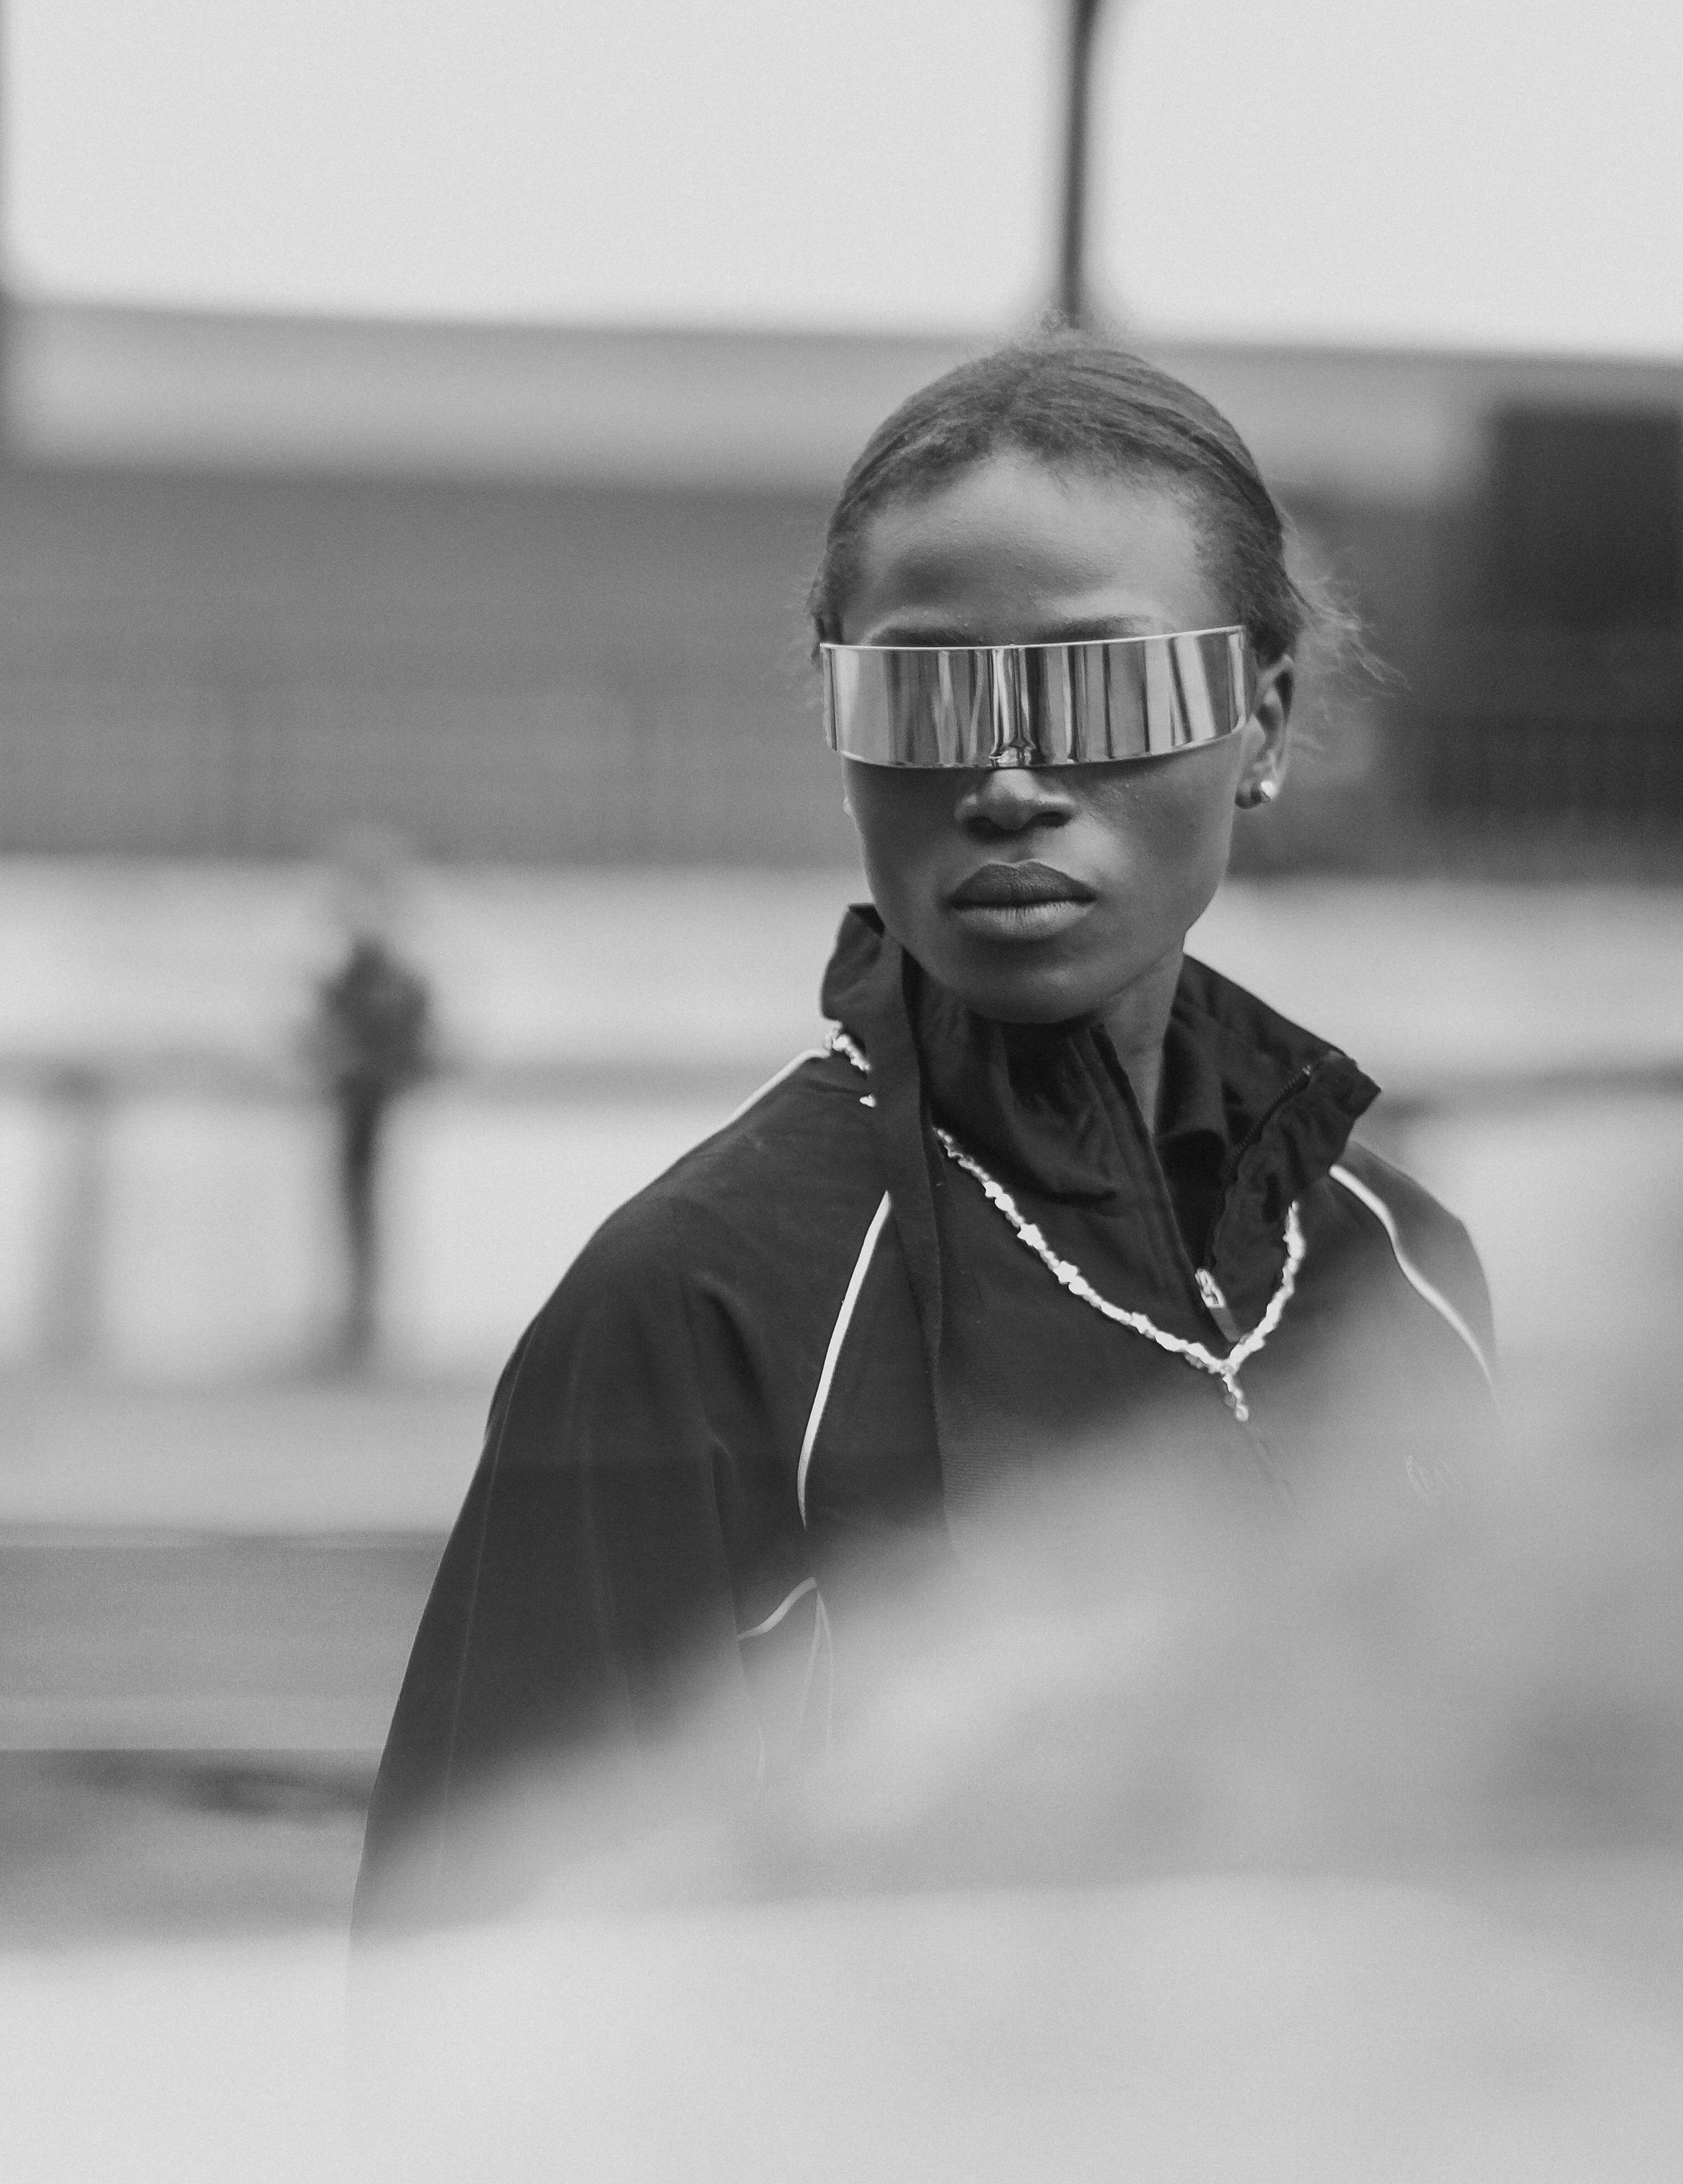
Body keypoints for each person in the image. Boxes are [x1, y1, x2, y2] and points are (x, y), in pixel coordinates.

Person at [356, 338, 1493, 1924]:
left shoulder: (1405, 1276)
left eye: (1109, 684)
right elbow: (475, 1998)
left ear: (1267, 720)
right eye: (923, 693)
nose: (1010, 776)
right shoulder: (698, 1310)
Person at [309, 839, 438, 1372]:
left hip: (373, 1108)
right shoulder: (348, 979)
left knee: (363, 1209)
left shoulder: (395, 983)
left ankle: (363, 1323)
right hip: (354, 1108)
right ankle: (355, 1322)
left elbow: (416, 1042)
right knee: (353, 1209)